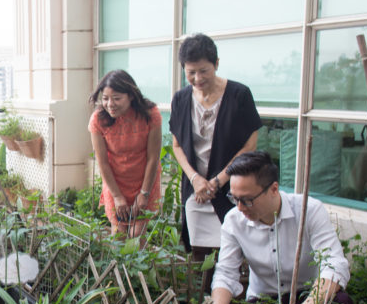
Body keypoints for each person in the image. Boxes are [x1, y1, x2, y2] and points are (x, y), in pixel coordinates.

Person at [210, 151, 361, 304]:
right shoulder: (234, 221)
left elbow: (334, 265)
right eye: (235, 199)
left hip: (309, 294)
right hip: (265, 300)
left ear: (273, 189)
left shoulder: (309, 210)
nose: (240, 207)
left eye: (247, 200)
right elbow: (226, 273)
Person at [169, 34, 261, 288]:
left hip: (229, 188)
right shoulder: (180, 99)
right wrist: (195, 179)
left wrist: (219, 180)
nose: (197, 79)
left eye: (203, 71)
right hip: (196, 190)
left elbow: (249, 146)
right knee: (198, 254)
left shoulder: (239, 95)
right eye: (190, 73)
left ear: (216, 63)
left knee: (231, 252)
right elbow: (177, 146)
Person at [87, 69, 162, 237]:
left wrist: (144, 194)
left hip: (144, 181)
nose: (110, 104)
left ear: (131, 96)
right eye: (105, 99)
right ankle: (118, 265)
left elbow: (153, 158)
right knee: (119, 233)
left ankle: (139, 264)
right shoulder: (98, 119)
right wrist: (117, 196)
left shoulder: (150, 115)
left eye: (117, 98)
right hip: (116, 182)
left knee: (137, 234)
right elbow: (103, 162)